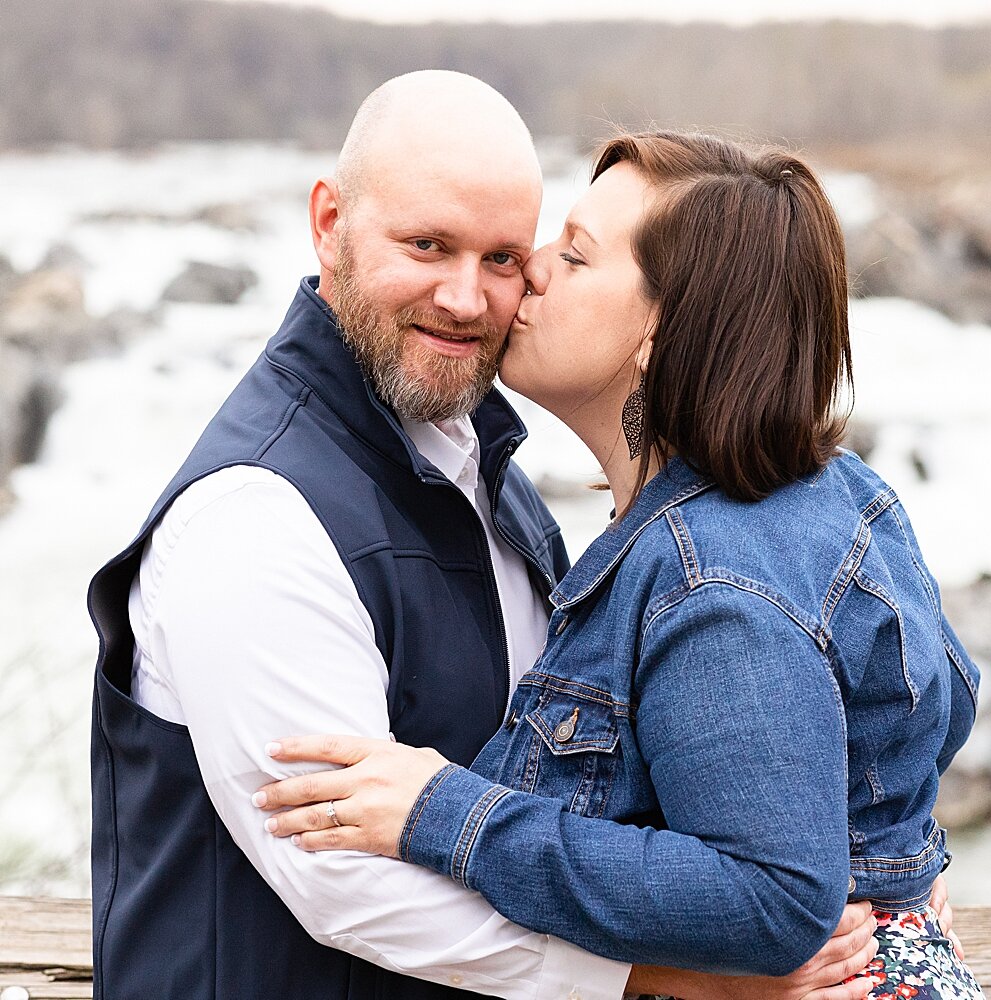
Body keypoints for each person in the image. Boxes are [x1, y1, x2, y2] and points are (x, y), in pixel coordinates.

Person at [86, 72, 886, 1000]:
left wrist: (888, 864)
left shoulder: (484, 464)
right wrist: (680, 978)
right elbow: (345, 880)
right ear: (328, 221)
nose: (467, 298)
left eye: (507, 257)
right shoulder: (254, 518)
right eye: (427, 245)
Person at [252, 131, 986, 999]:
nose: (531, 271)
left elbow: (778, 898)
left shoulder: (711, 574)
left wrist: (444, 810)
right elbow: (940, 698)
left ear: (661, 331)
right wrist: (892, 871)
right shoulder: (833, 488)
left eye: (576, 255)